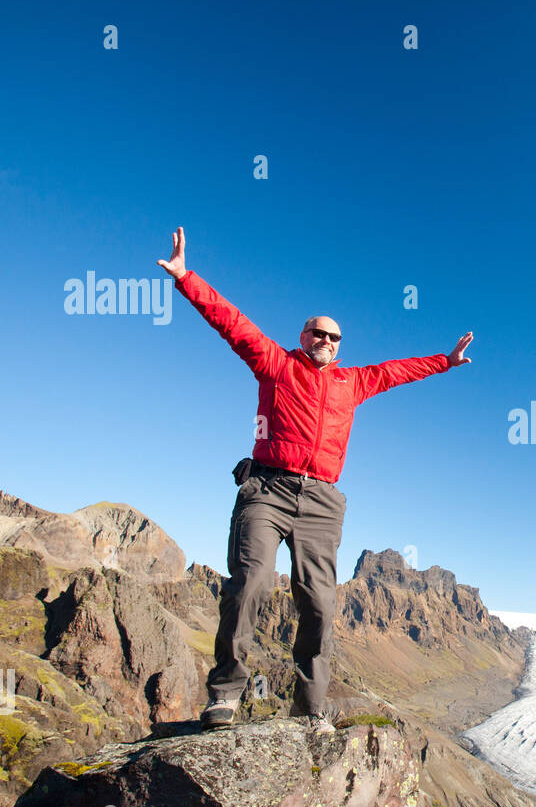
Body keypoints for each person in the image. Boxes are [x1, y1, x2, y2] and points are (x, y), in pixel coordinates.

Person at [156, 227, 472, 733]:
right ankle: (226, 694)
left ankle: (309, 710)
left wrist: (446, 362)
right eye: (316, 333)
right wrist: (185, 278)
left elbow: (397, 371)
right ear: (303, 337)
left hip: (322, 501)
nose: (325, 340)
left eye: (333, 337)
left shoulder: (352, 382)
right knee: (251, 581)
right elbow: (230, 322)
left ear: (339, 346)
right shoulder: (275, 364)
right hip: (268, 490)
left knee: (321, 604)